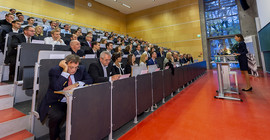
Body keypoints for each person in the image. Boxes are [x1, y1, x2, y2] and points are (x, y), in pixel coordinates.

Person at [38, 54, 93, 140]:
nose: (74, 70)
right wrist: (65, 71)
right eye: (71, 67)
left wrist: (76, 84)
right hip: (58, 101)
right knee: (57, 116)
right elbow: (56, 87)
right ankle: (54, 137)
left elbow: (90, 80)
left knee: (89, 110)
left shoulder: (81, 69)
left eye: (76, 67)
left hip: (75, 100)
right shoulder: (55, 71)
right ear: (66, 64)